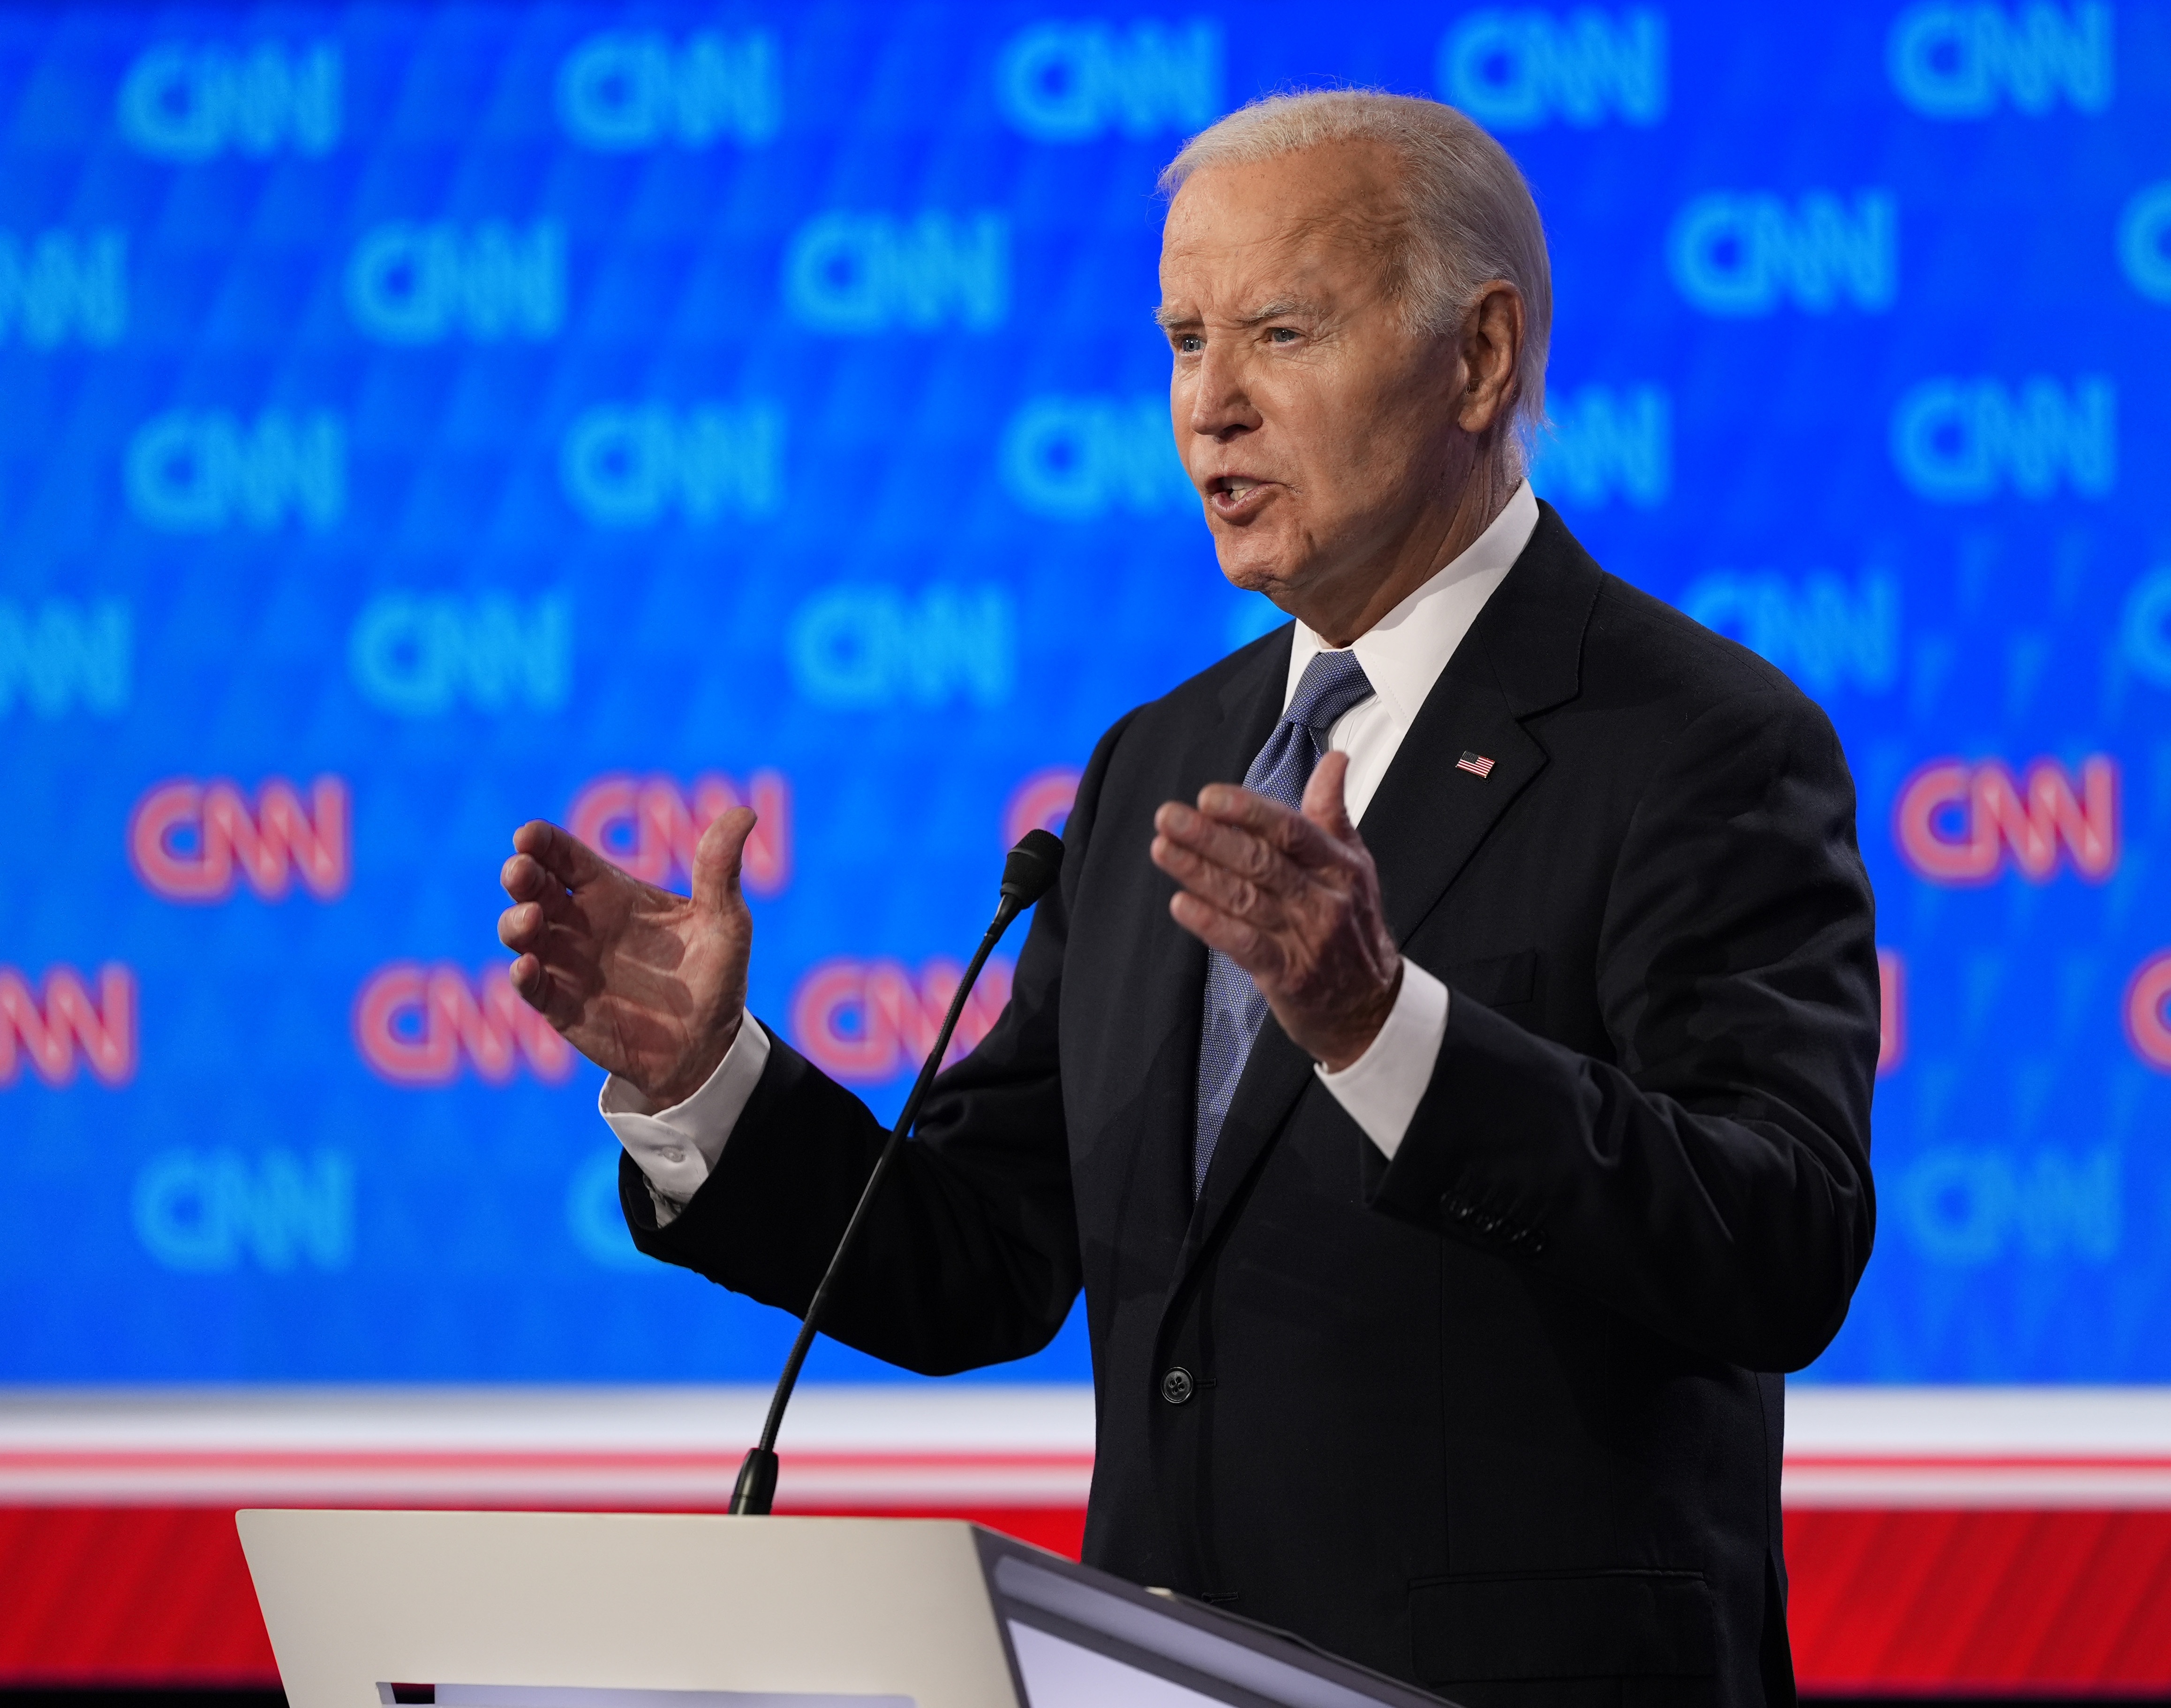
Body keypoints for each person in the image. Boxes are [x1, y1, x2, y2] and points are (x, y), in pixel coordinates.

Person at [498, 90, 1878, 1708]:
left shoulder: (1698, 741)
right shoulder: (1162, 760)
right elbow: (984, 1252)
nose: (1209, 406)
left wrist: (1387, 1032)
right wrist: (704, 1085)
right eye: (1181, 338)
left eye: (1280, 331)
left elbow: (1780, 1241)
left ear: (1482, 357)